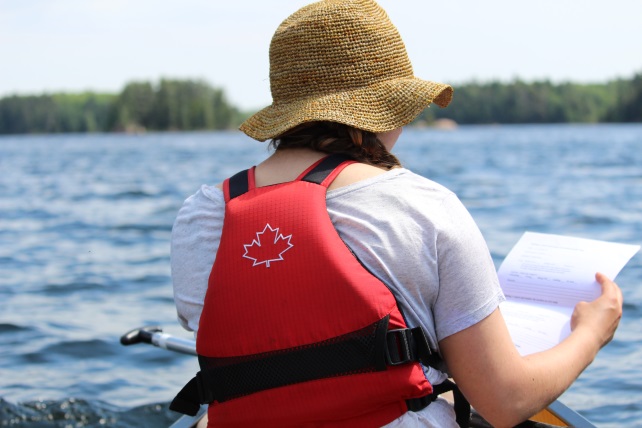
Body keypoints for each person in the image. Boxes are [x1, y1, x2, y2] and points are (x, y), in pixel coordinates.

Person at [170, 0, 623, 427]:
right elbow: (504, 401)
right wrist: (590, 334)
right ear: (383, 109)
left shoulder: (202, 216)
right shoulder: (423, 206)